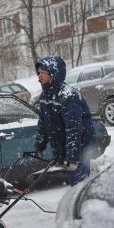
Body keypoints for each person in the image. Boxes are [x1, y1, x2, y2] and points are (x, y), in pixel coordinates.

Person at [34, 56, 96, 186]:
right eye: (39, 73)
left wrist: (73, 158)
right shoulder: (45, 96)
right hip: (64, 145)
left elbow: (74, 129)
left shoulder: (68, 96)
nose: (39, 77)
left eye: (43, 73)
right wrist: (40, 143)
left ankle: (85, 205)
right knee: (74, 181)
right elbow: (43, 122)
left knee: (79, 184)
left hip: (81, 146)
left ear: (53, 74)